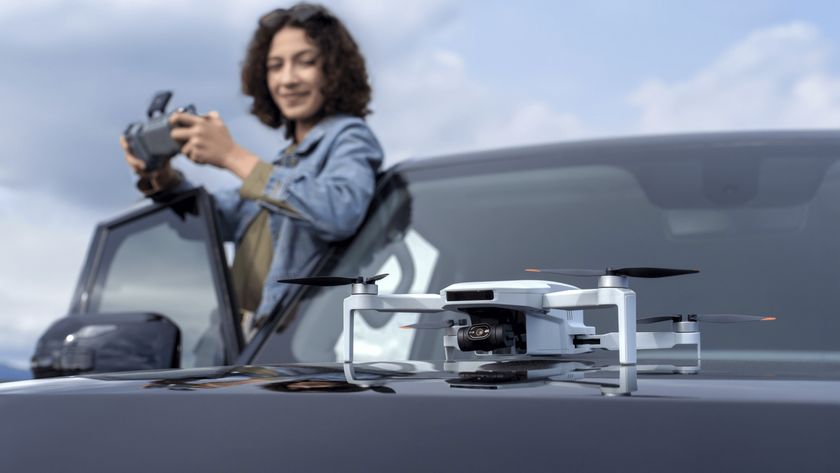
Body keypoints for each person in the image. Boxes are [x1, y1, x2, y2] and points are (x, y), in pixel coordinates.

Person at [120, 3, 383, 333]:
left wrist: (230, 155)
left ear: (334, 68)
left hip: (293, 343)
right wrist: (161, 177)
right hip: (247, 341)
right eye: (275, 66)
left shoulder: (349, 137)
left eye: (306, 62)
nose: (287, 79)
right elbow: (215, 219)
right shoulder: (286, 162)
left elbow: (340, 211)